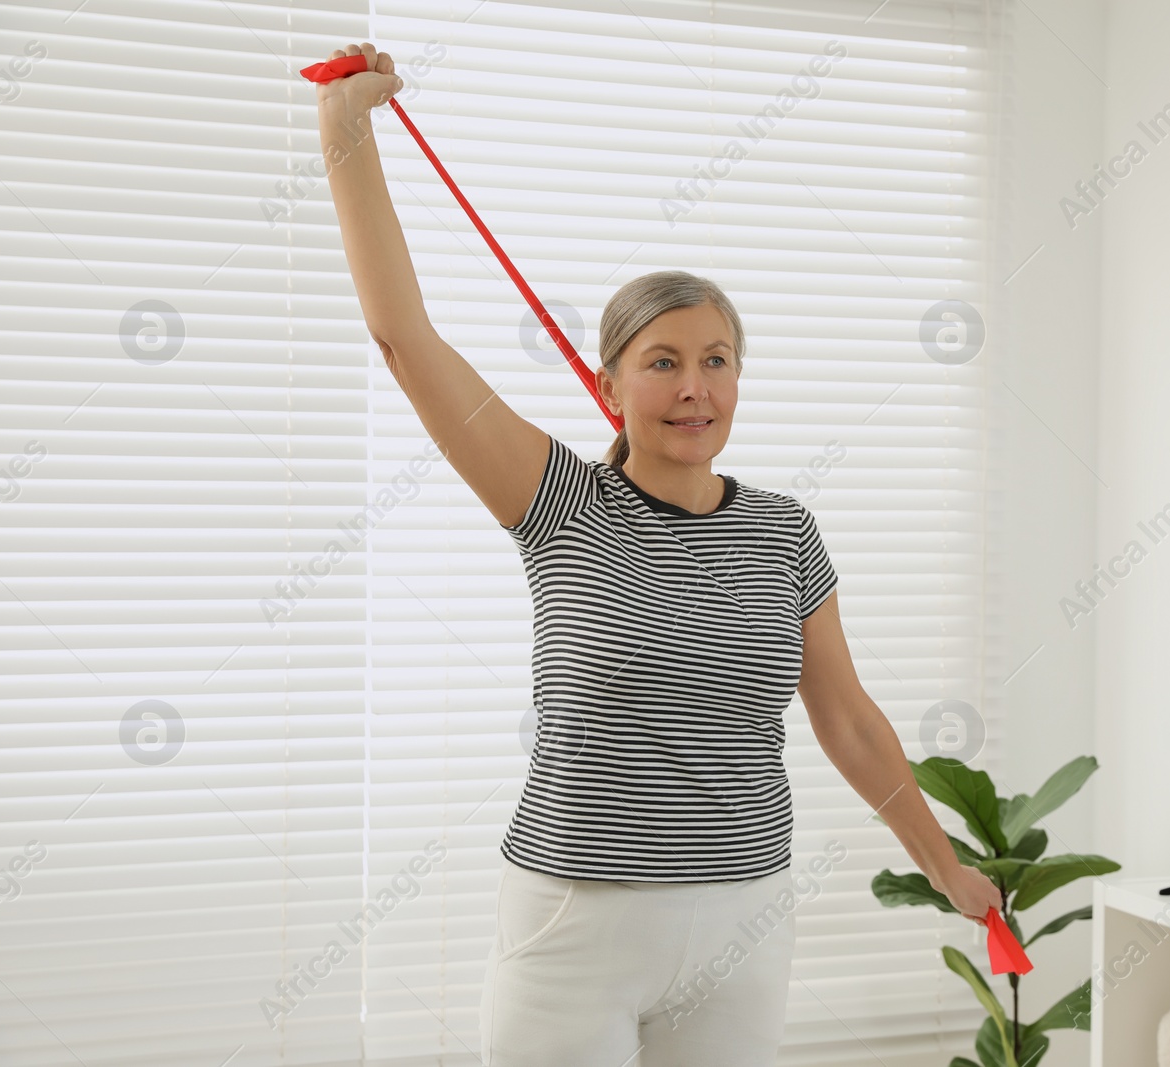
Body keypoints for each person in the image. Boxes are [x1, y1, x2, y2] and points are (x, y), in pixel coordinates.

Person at [314, 42, 1002, 1067]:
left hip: (743, 916)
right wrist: (347, 129)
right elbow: (403, 334)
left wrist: (944, 866)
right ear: (610, 386)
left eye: (716, 361)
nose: (694, 386)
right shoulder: (557, 501)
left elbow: (847, 719)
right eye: (663, 361)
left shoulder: (783, 528)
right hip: (575, 926)